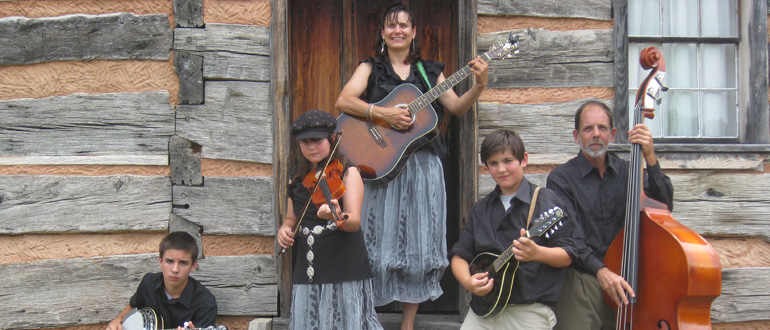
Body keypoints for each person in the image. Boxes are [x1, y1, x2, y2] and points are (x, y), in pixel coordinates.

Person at [334, 4, 489, 329]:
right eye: (391, 26)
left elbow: (457, 108)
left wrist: (478, 86)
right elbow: (344, 101)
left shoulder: (430, 72)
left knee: (420, 244)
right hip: (380, 168)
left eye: (404, 25)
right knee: (374, 247)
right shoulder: (370, 68)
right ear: (382, 34)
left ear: (414, 32)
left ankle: (407, 324)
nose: (397, 31)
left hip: (423, 170)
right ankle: (369, 318)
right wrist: (383, 114)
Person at [546, 100, 674, 330]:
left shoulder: (629, 172)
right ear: (577, 136)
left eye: (602, 128)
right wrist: (601, 271)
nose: (596, 134)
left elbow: (664, 207)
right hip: (584, 279)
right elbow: (570, 236)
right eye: (588, 129)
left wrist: (650, 158)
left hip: (630, 279)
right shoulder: (561, 179)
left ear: (613, 134)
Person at [449, 129, 579, 330]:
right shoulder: (481, 209)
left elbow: (568, 254)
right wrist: (468, 282)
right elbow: (459, 255)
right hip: (483, 312)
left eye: (508, 161)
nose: (501, 169)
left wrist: (537, 253)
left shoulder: (545, 201)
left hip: (528, 312)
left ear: (523, 160)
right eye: (493, 163)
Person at [276, 109, 383, 330]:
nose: (311, 147)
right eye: (305, 142)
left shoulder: (348, 172)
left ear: (332, 139)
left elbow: (354, 221)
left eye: (317, 140)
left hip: (343, 265)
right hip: (309, 266)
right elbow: (290, 218)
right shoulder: (296, 177)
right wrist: (285, 230)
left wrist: (337, 215)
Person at [106, 231, 217, 330]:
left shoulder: (205, 303)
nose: (175, 269)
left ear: (193, 265)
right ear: (160, 261)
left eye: (183, 263)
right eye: (169, 261)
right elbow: (132, 307)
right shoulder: (148, 283)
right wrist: (117, 320)